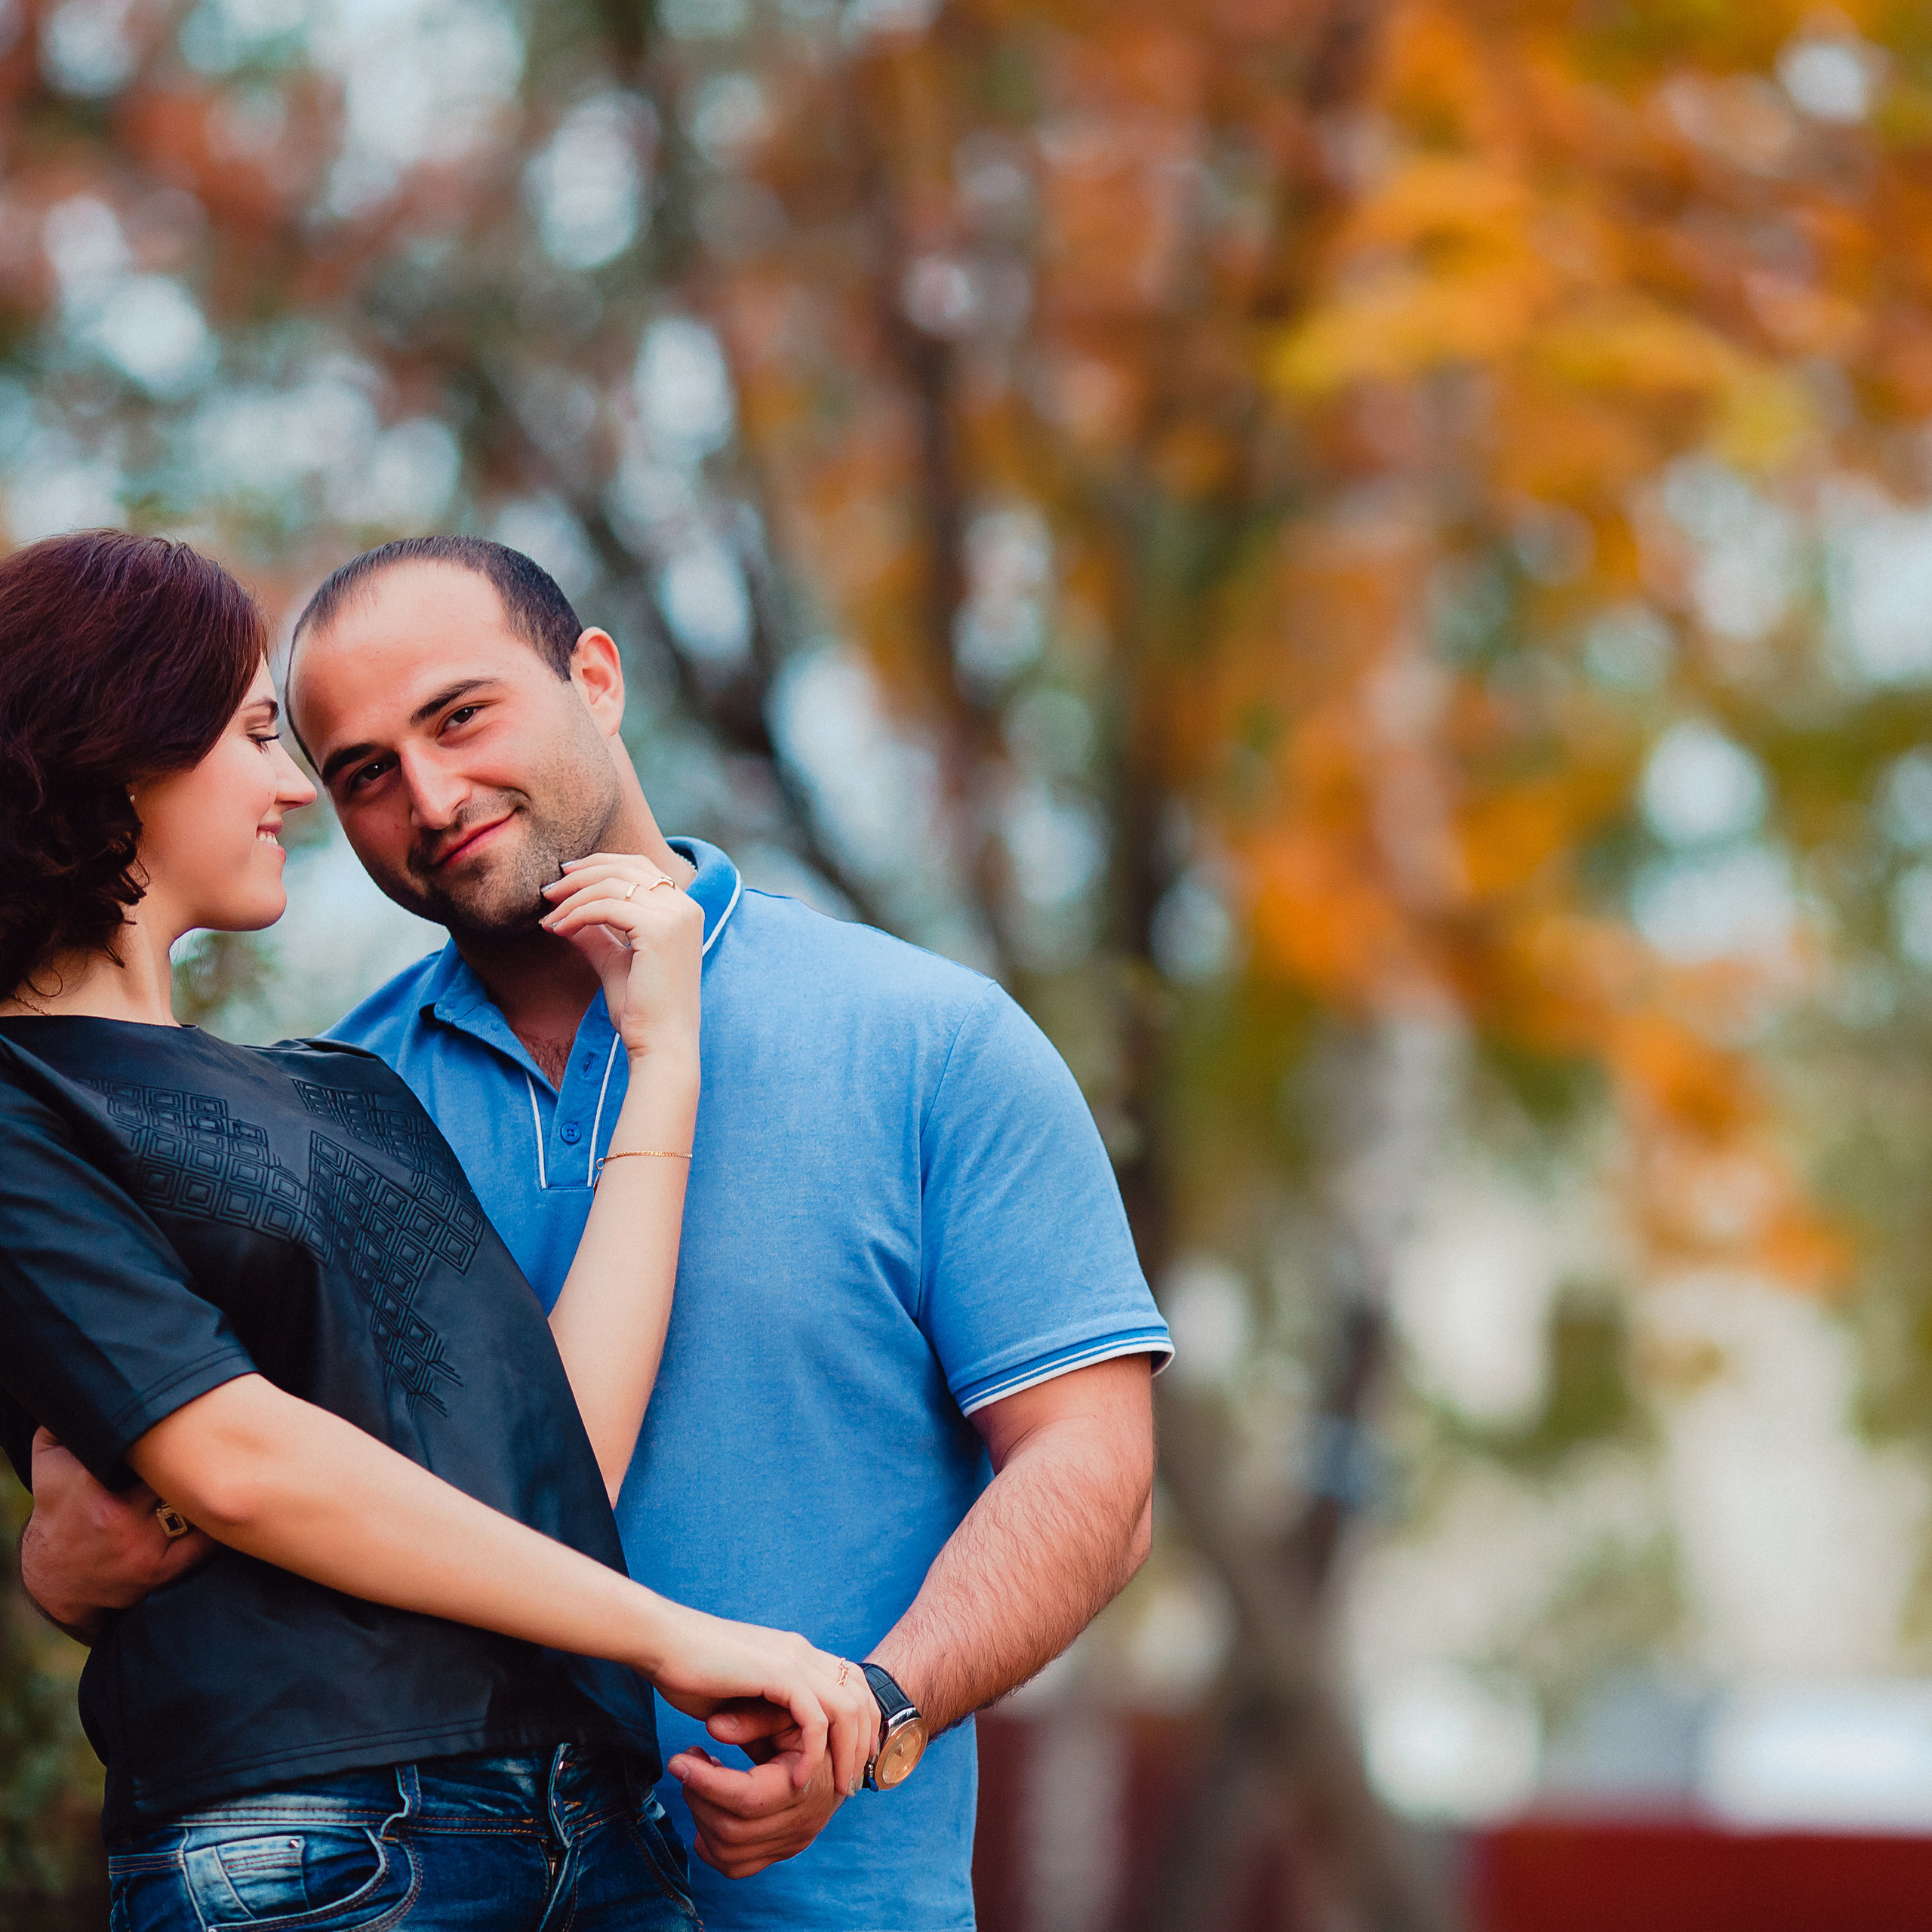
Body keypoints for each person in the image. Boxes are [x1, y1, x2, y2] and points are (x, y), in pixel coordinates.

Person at [24, 535, 1174, 1932]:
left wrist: (874, 1710)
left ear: (598, 678)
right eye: (363, 772)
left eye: (460, 715)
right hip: (443, 1866)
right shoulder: (338, 1101)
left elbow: (1094, 1477)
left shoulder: (927, 1040)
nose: (432, 796)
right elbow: (255, 1464)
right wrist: (76, 1566)